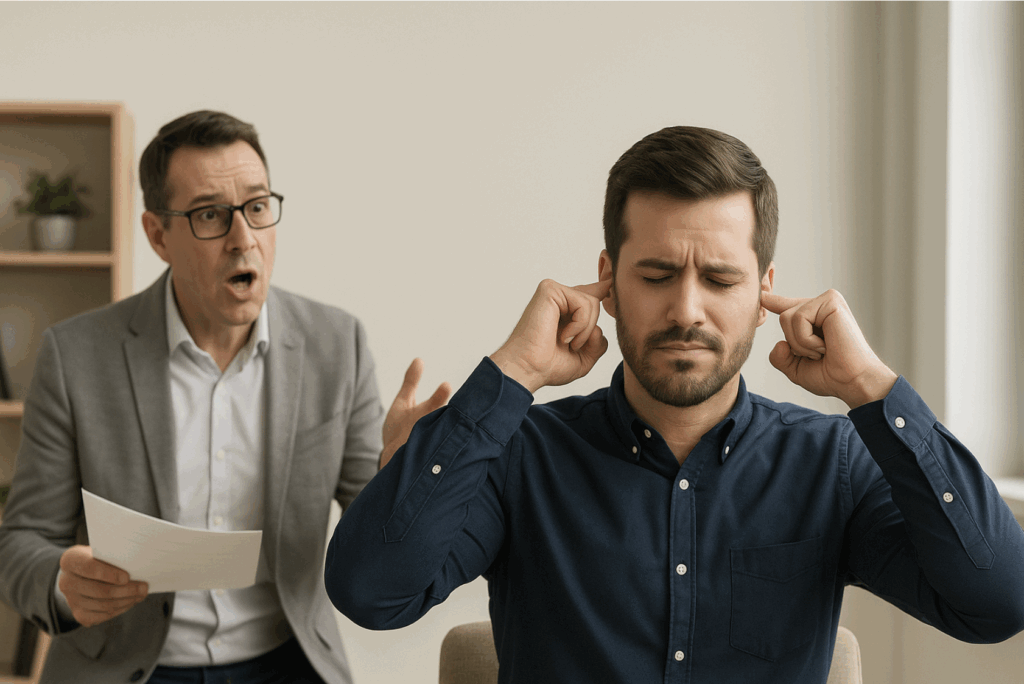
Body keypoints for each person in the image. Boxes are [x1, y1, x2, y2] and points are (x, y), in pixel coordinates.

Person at [325, 126, 1024, 682]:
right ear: (608, 280)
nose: (685, 310)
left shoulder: (831, 462)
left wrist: (873, 388)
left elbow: (998, 602)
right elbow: (370, 593)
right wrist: (511, 374)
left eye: (720, 279)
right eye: (656, 274)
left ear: (763, 294)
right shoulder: (520, 453)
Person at [0, 110, 447, 684]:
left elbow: (372, 531)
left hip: (287, 661)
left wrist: (399, 476)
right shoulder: (76, 355)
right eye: (211, 215)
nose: (244, 240)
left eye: (257, 208)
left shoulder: (337, 345)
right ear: (158, 235)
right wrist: (63, 583)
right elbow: (22, 542)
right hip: (129, 666)